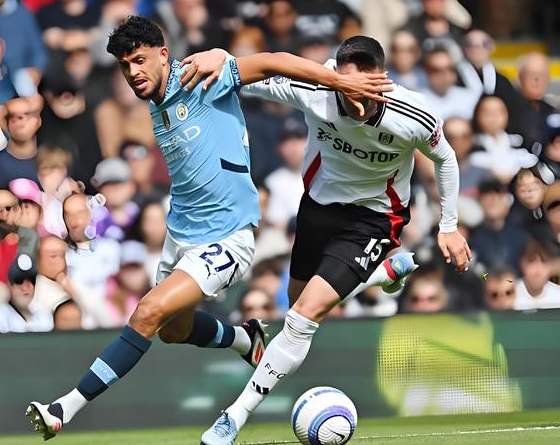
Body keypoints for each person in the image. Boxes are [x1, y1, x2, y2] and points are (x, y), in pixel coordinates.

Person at [25, 15, 392, 440]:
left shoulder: (200, 76)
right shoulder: (154, 98)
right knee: (173, 331)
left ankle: (63, 408)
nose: (133, 72)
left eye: (140, 61)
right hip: (180, 234)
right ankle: (246, 340)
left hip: (227, 236)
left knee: (147, 312)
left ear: (164, 55)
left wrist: (339, 82)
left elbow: (272, 62)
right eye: (126, 66)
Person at [185, 35, 471, 444]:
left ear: (381, 81)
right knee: (297, 307)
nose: (354, 99)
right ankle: (380, 275)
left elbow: (445, 158)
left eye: (363, 89)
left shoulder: (413, 113)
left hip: (373, 219)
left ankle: (234, 416)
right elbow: (252, 74)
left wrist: (449, 225)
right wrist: (224, 57)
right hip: (317, 211)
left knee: (303, 318)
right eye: (345, 86)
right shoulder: (315, 90)